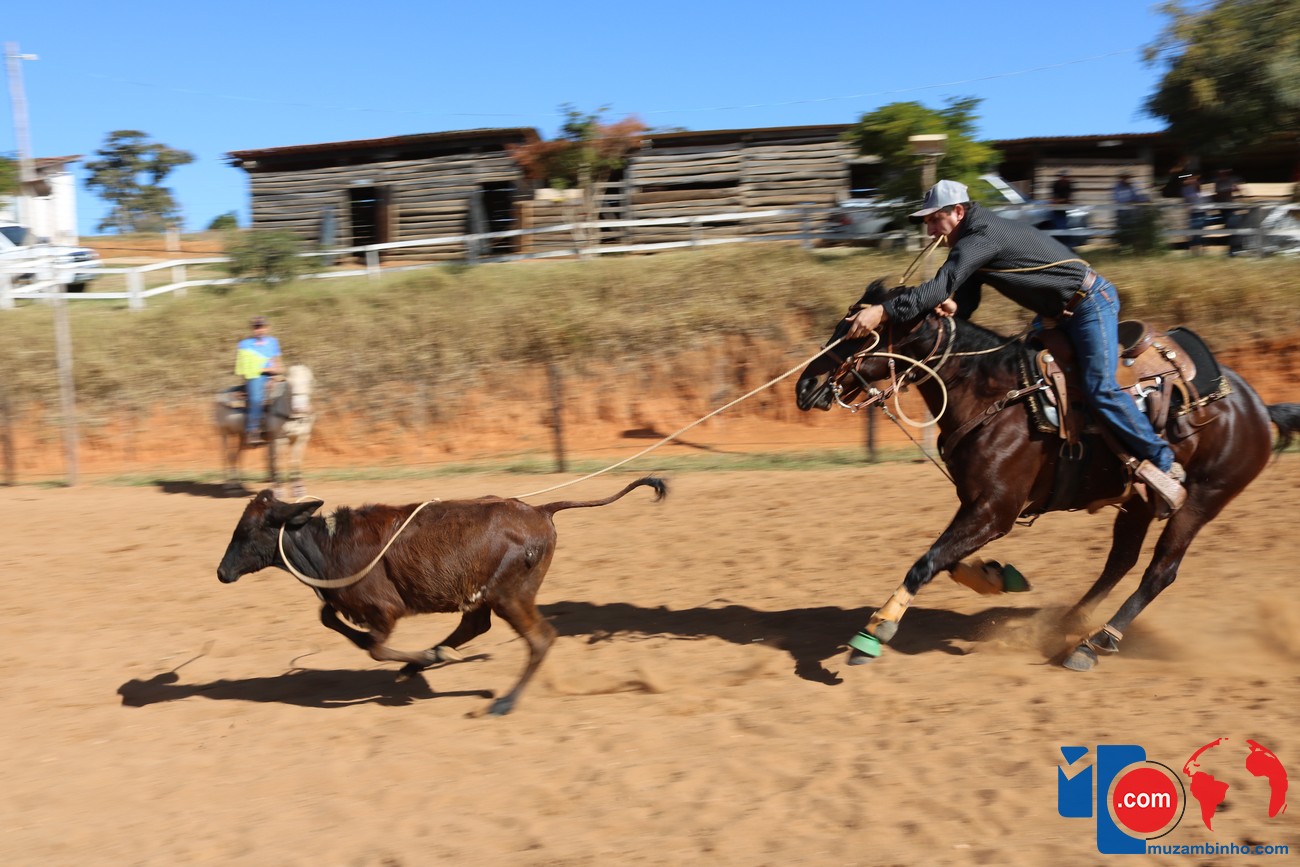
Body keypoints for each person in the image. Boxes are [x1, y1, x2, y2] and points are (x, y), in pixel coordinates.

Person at [842, 179, 1186, 513]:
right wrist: (954, 306)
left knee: (1100, 387)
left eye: (935, 220)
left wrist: (882, 311)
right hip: (1056, 315)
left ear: (958, 211)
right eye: (927, 222)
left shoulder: (980, 237)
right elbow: (963, 297)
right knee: (1026, 377)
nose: (931, 230)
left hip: (1089, 303)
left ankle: (1163, 460)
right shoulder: (974, 238)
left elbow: (940, 285)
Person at [235, 315, 282, 445]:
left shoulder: (273, 342)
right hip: (254, 376)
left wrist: (276, 373)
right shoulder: (244, 344)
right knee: (256, 397)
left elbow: (277, 362)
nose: (259, 329)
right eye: (256, 327)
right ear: (252, 329)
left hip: (271, 375)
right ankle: (253, 430)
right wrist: (267, 370)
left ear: (267, 328)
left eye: (261, 327)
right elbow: (245, 367)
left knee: (292, 388)